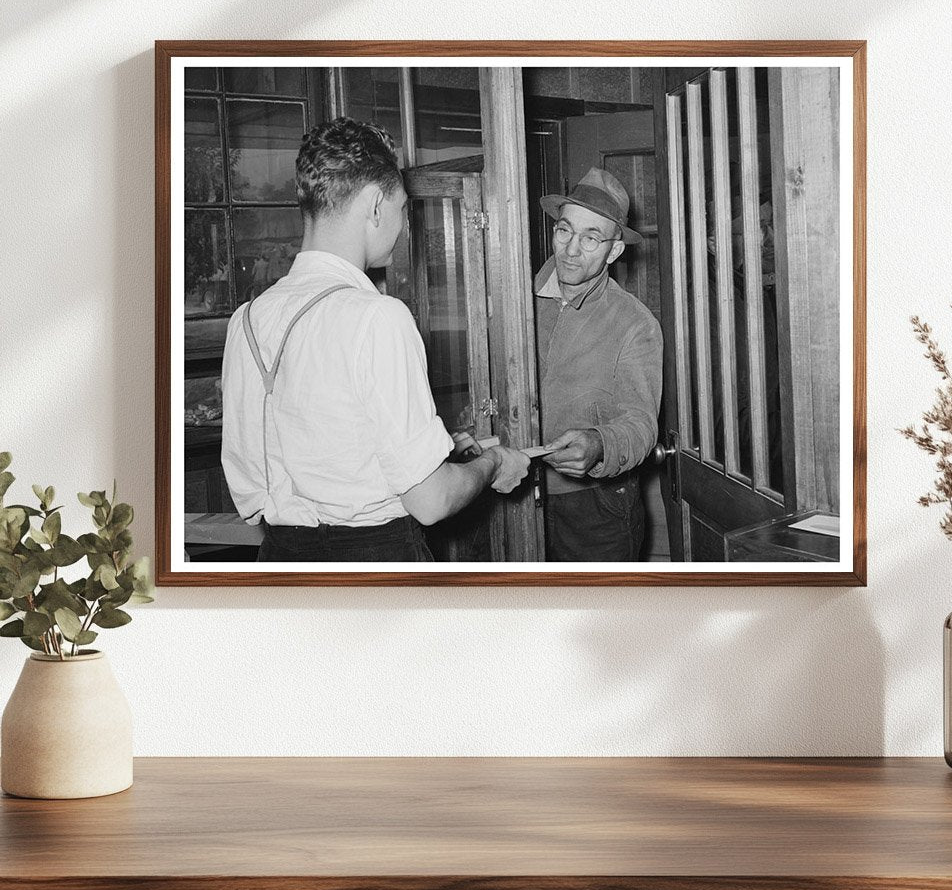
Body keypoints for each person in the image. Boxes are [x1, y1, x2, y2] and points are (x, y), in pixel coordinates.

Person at [221, 116, 530, 562]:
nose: (405, 226)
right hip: (375, 562)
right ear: (374, 205)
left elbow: (300, 460)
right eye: (403, 207)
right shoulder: (378, 317)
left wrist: (441, 452)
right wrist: (494, 464)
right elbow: (432, 501)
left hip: (280, 563)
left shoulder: (247, 320)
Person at [534, 167, 663, 561]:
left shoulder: (635, 323)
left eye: (591, 238)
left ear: (614, 250)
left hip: (595, 511)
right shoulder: (515, 301)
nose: (572, 249)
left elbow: (641, 424)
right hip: (512, 496)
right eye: (565, 231)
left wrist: (600, 444)